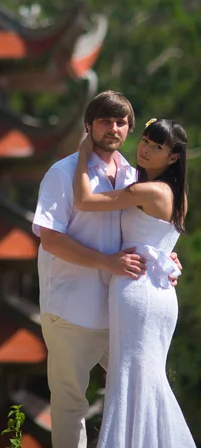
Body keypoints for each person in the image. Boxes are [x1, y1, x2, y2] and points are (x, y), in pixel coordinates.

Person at [32, 91, 181, 448]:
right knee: (71, 406)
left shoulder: (134, 175)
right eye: (104, 120)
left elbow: (148, 230)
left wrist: (166, 257)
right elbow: (50, 239)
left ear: (129, 129)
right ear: (88, 125)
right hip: (72, 309)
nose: (113, 128)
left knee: (139, 392)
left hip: (121, 310)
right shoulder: (64, 172)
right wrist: (107, 263)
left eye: (120, 122)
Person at [73, 117, 195, 448]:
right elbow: (159, 242)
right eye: (144, 140)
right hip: (158, 291)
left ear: (173, 157)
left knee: (130, 377)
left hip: (136, 288)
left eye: (157, 147)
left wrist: (83, 153)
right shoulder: (175, 192)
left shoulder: (148, 190)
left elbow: (85, 201)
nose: (144, 149)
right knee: (144, 377)